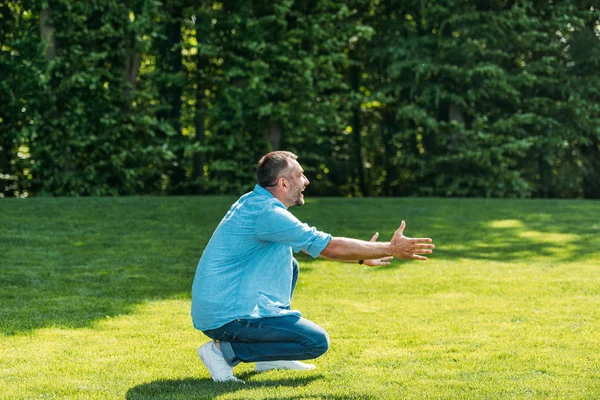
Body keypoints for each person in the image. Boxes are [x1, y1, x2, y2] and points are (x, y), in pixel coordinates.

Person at [191, 151, 435, 382]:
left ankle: (271, 357)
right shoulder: (267, 214)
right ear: (283, 184)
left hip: (219, 308)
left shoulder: (255, 202)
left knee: (291, 264)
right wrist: (390, 248)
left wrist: (361, 256)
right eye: (300, 175)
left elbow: (311, 245)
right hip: (226, 316)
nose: (305, 181)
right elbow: (327, 246)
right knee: (315, 342)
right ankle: (223, 352)